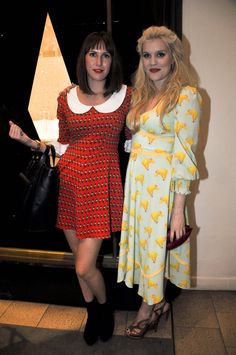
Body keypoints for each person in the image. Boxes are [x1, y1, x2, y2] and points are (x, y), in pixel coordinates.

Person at [9, 31, 132, 346]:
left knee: (84, 264)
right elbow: (61, 146)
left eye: (105, 54)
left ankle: (104, 311)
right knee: (81, 265)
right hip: (69, 185)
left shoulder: (126, 97)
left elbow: (134, 140)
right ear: (84, 59)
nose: (99, 61)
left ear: (112, 60)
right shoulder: (66, 97)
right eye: (93, 53)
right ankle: (93, 314)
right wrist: (28, 141)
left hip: (101, 187)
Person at [117, 25, 202, 338]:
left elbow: (185, 154)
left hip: (162, 191)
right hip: (138, 187)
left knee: (155, 248)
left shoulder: (186, 96)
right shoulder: (142, 95)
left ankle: (147, 308)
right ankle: (160, 302)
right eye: (147, 55)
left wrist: (178, 209)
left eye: (160, 54)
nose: (153, 61)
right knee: (146, 249)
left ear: (173, 58)